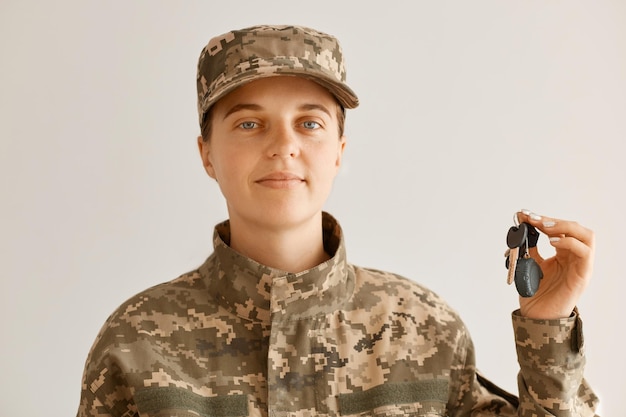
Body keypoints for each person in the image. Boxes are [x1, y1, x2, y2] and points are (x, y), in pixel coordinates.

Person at [76, 24, 600, 417]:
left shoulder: (423, 333)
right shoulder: (136, 343)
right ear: (206, 154)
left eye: (309, 123)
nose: (284, 146)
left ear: (339, 151)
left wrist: (547, 329)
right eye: (250, 123)